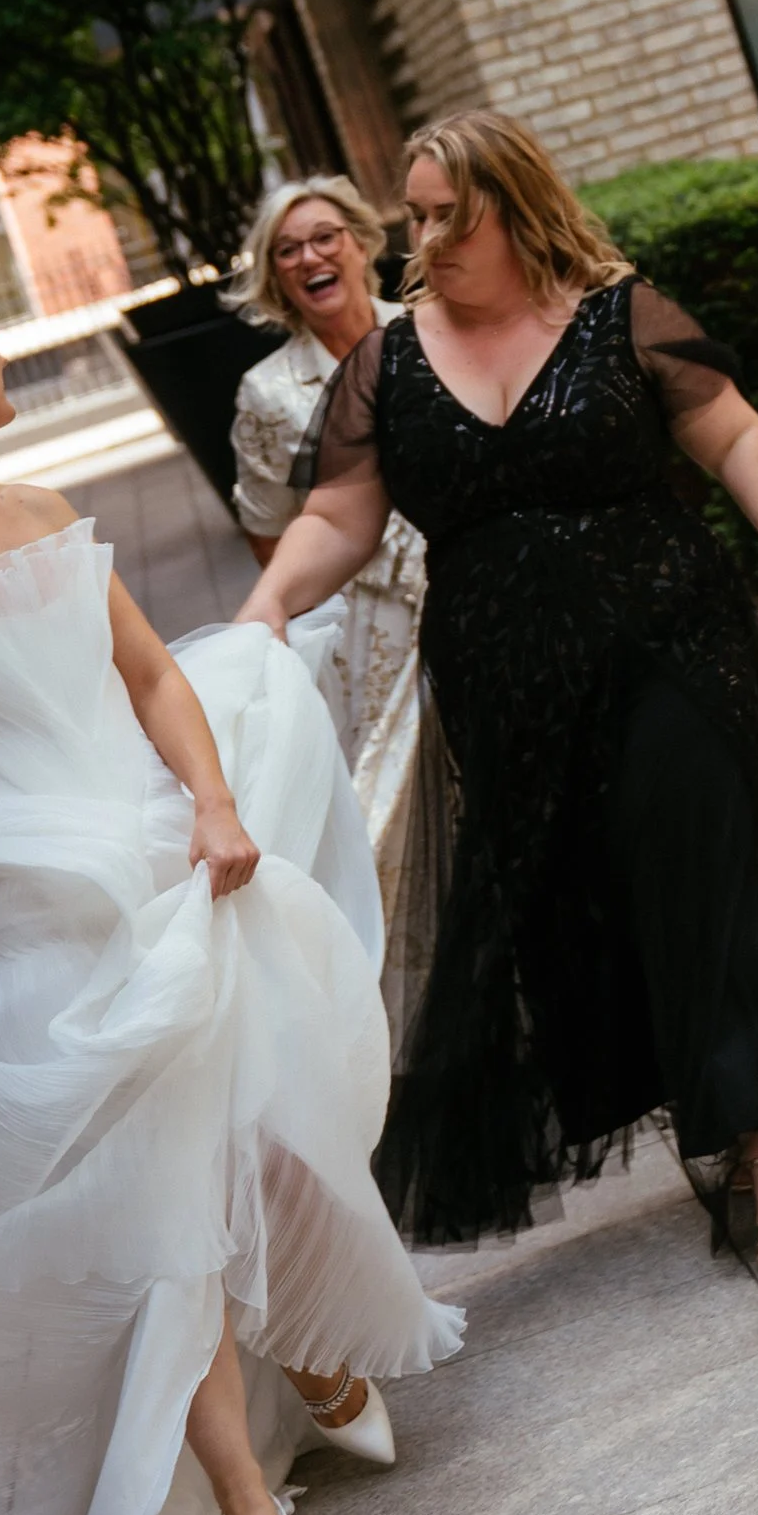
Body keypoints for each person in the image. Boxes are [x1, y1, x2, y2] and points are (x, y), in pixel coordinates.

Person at [0, 269, 461, 1515]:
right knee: (139, 1206)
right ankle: (246, 1502)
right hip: (24, 905)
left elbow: (151, 675)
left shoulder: (44, 513)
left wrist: (213, 803)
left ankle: (304, 1335)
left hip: (157, 861)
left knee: (262, 1131)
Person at [236, 107, 758, 1266]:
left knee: (702, 864)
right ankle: (710, 1102)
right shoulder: (387, 363)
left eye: (449, 216)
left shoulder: (621, 315)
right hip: (504, 681)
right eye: (415, 215)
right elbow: (338, 515)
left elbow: (734, 435)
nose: (424, 239)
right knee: (589, 902)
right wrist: (269, 602)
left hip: (667, 639)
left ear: (514, 209)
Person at [229, 175, 432, 1033]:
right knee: (390, 809)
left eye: (324, 237)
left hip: (461, 585)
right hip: (362, 625)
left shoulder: (427, 330)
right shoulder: (269, 392)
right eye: (288, 249)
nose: (310, 255)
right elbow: (270, 531)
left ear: (359, 242)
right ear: (275, 277)